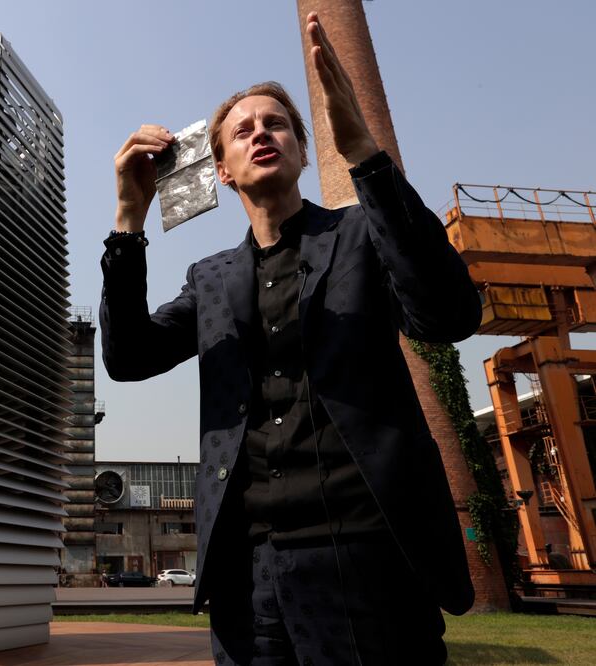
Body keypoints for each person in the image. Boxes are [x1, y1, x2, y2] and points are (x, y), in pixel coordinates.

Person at [100, 12, 479, 665]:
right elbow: (129, 358)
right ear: (219, 169)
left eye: (275, 122)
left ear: (304, 150)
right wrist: (128, 217)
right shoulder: (211, 278)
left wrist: (363, 151)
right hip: (248, 577)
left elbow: (446, 316)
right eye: (241, 130)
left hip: (366, 559)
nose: (259, 133)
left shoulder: (363, 237)